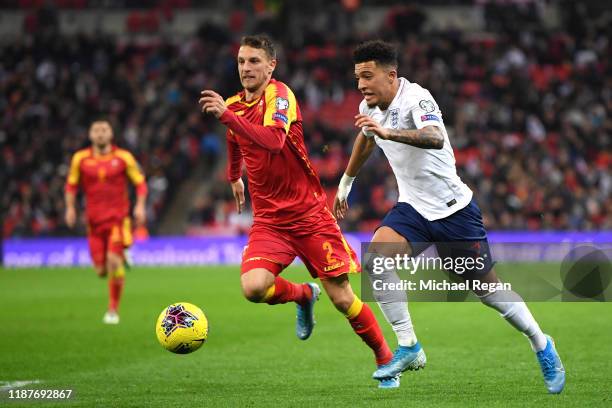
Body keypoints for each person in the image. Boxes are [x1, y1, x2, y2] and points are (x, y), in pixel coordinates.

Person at [333, 40, 565, 394]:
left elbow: (435, 137)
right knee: (377, 260)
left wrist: (388, 132)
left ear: (391, 75)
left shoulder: (416, 98)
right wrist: (345, 184)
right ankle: (409, 346)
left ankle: (541, 343)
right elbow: (365, 139)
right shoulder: (371, 106)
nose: (361, 85)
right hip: (412, 208)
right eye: (357, 78)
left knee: (488, 291)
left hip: (453, 211)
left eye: (368, 76)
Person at [199, 35, 398, 388]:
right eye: (242, 61)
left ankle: (384, 357)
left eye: (254, 61)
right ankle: (304, 295)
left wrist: (228, 116)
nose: (246, 67)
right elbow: (234, 140)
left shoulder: (281, 96)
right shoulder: (233, 105)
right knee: (254, 288)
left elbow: (274, 141)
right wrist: (234, 177)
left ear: (270, 66)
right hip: (270, 221)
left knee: (342, 298)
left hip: (308, 215)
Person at [65, 119, 147, 325]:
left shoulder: (123, 157)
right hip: (93, 222)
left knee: (112, 262)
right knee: (101, 271)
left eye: (104, 130)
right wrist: (70, 208)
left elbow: (140, 183)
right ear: (90, 135)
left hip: (118, 220)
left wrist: (139, 206)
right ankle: (123, 254)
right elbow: (71, 186)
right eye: (96, 130)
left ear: (111, 134)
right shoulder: (80, 159)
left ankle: (112, 310)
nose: (100, 133)